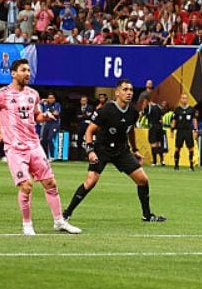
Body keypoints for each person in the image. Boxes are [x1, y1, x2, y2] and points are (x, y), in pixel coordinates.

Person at [0, 59, 82, 236]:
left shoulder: (33, 94)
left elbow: (36, 115)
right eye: (23, 70)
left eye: (29, 70)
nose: (27, 73)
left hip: (34, 145)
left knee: (50, 183)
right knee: (26, 185)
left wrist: (44, 116)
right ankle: (27, 224)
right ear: (13, 73)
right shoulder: (1, 94)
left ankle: (59, 221)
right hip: (15, 148)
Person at [64, 79, 165, 224]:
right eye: (125, 89)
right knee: (91, 181)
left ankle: (147, 215)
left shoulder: (133, 112)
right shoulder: (106, 110)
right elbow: (89, 130)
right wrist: (90, 151)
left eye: (131, 90)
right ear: (117, 92)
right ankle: (66, 214)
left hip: (121, 150)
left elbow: (130, 130)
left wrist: (135, 149)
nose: (129, 93)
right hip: (102, 149)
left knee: (142, 180)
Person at [171, 94, 199, 171]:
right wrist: (172, 129)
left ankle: (191, 166)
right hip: (180, 131)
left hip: (188, 131)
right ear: (180, 99)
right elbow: (174, 120)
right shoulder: (177, 110)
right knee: (177, 148)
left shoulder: (191, 109)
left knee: (191, 148)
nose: (184, 99)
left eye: (185, 98)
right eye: (183, 98)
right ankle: (176, 165)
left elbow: (194, 120)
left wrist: (196, 130)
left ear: (187, 99)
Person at [143, 96, 167, 167]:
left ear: (147, 101)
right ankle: (162, 161)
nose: (144, 103)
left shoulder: (148, 107)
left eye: (144, 101)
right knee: (159, 144)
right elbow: (161, 117)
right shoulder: (158, 106)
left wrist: (144, 108)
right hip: (159, 127)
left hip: (153, 127)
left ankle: (154, 162)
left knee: (153, 144)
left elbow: (144, 114)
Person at [39, 93, 62, 159]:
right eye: (49, 98)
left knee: (50, 138)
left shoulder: (57, 105)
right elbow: (37, 104)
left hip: (54, 123)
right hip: (46, 123)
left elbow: (56, 113)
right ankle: (46, 156)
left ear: (54, 99)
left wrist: (48, 108)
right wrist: (42, 101)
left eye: (52, 98)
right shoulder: (45, 104)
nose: (50, 99)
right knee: (43, 140)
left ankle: (52, 156)